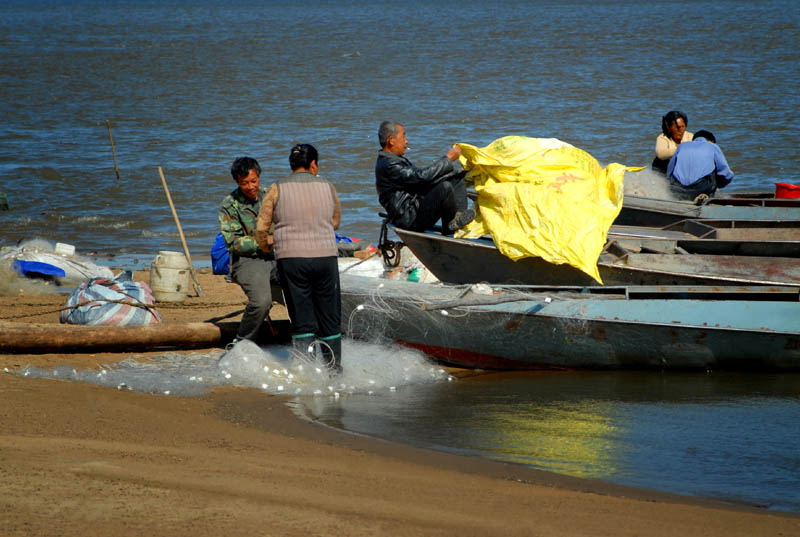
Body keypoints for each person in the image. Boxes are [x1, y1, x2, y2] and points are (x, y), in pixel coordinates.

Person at [255, 144, 343, 374]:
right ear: (313, 165)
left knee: (301, 315)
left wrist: (266, 246)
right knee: (329, 316)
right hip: (325, 257)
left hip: (291, 259)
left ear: (291, 165)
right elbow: (335, 222)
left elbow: (261, 228)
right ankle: (334, 370)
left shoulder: (277, 188)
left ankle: (306, 371)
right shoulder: (327, 186)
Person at [218, 156, 278, 344]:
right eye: (245, 183)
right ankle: (242, 342)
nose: (251, 187)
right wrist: (264, 241)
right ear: (237, 182)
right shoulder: (229, 205)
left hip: (278, 256)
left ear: (259, 178)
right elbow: (233, 242)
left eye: (254, 181)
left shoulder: (271, 196)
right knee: (261, 302)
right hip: (247, 261)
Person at [375, 121, 474, 234]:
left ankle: (457, 219)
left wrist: (455, 173)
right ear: (391, 140)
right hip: (409, 219)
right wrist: (448, 159)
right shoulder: (389, 164)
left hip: (414, 209)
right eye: (403, 136)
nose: (406, 141)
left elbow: (421, 181)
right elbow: (420, 177)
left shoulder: (393, 159)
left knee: (456, 178)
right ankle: (450, 230)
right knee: (445, 188)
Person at [666, 130, 734, 201]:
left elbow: (669, 172)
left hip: (678, 189)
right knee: (716, 170)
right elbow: (727, 174)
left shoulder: (681, 146)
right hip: (701, 188)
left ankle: (684, 196)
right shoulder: (712, 146)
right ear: (710, 141)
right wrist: (719, 185)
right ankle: (707, 195)